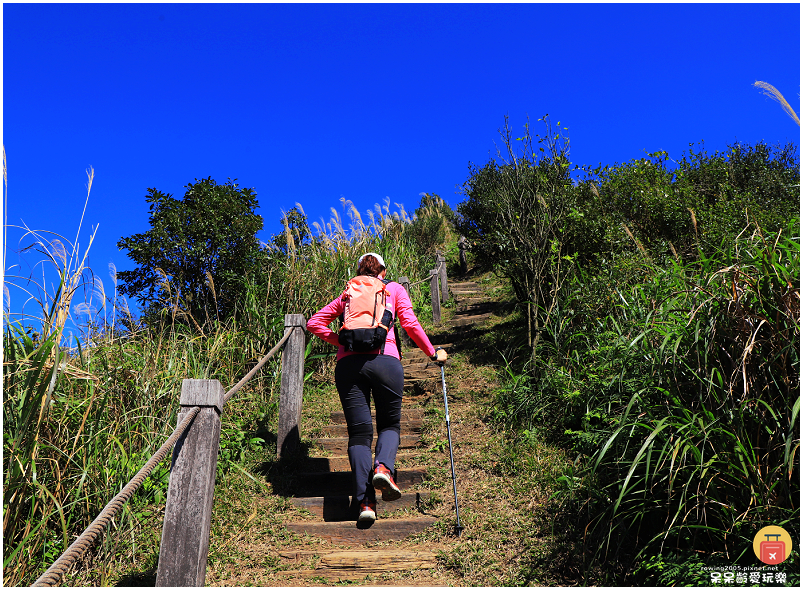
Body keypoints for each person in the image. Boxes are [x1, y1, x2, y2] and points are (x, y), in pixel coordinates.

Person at [307, 252, 447, 525]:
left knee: (359, 436)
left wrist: (342, 343)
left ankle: (365, 504)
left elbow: (314, 323)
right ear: (383, 270)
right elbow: (409, 323)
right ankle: (383, 466)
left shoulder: (348, 294)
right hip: (386, 362)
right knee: (389, 426)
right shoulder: (393, 289)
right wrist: (433, 352)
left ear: (360, 271)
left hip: (348, 367)